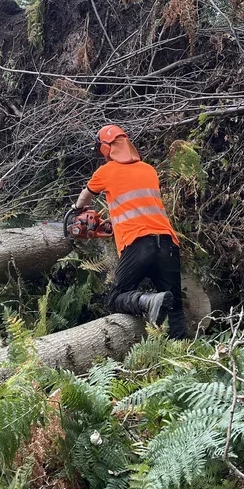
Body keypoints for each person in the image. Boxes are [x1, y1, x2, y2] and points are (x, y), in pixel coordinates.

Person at [72, 125, 189, 339]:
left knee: (116, 297)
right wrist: (114, 220)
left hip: (138, 244)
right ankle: (186, 354)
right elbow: (139, 205)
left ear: (106, 149)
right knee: (175, 306)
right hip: (167, 242)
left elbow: (84, 199)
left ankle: (148, 301)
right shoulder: (148, 169)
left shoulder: (106, 171)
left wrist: (76, 211)